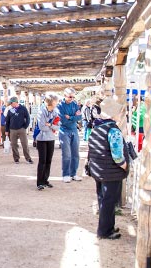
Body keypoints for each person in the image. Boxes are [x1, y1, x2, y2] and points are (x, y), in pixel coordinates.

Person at [88, 97, 129, 240]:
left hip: (98, 170)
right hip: (111, 172)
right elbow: (117, 156)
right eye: (119, 112)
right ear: (113, 114)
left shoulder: (97, 127)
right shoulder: (113, 130)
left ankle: (108, 227)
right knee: (109, 202)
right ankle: (104, 231)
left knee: (103, 200)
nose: (121, 114)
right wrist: (125, 165)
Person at [57, 88, 82, 183]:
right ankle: (66, 174)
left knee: (75, 153)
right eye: (70, 96)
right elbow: (62, 119)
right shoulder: (60, 106)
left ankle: (73, 173)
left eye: (73, 96)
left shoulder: (75, 104)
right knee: (67, 154)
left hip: (74, 130)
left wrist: (70, 117)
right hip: (64, 130)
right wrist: (73, 118)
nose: (72, 98)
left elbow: (79, 117)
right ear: (65, 95)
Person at [36, 93, 60, 190]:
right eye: (56, 101)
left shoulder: (55, 112)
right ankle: (39, 182)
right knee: (42, 160)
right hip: (41, 139)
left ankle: (45, 180)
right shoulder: (41, 112)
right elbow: (41, 127)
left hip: (51, 138)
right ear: (51, 102)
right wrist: (50, 126)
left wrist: (49, 125)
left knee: (49, 161)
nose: (57, 102)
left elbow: (58, 126)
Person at [5, 96, 33, 164]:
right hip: (12, 129)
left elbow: (28, 118)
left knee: (25, 144)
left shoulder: (23, 108)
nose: (11, 104)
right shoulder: (10, 110)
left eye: (11, 103)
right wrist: (6, 130)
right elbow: (7, 121)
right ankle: (16, 158)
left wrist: (25, 127)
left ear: (15, 102)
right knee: (14, 144)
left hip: (21, 129)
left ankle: (28, 158)